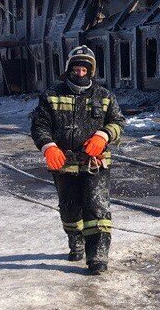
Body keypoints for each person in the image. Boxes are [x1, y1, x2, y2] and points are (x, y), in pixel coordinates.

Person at [30, 46, 124, 275]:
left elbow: (118, 122)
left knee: (97, 208)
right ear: (68, 70)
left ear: (90, 71)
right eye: (76, 68)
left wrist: (104, 136)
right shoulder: (51, 95)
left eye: (84, 69)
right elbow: (39, 125)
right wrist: (48, 146)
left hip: (95, 163)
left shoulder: (104, 96)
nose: (80, 73)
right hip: (63, 164)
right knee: (70, 209)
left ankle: (98, 258)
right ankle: (75, 237)